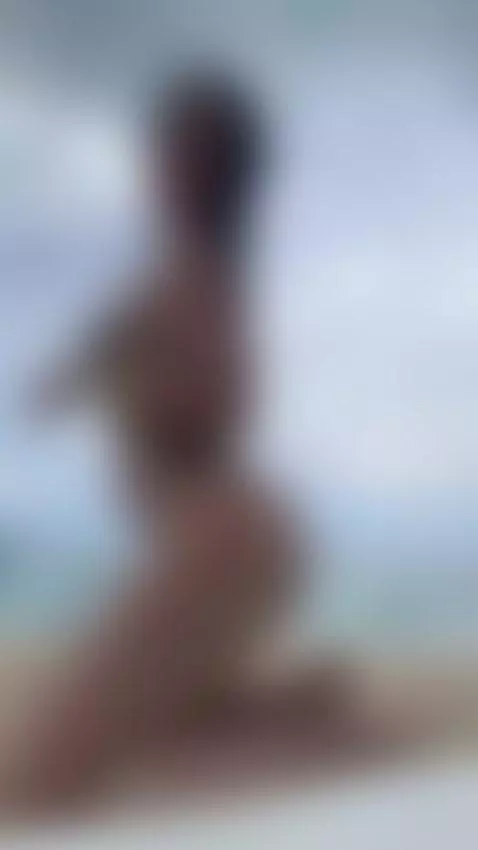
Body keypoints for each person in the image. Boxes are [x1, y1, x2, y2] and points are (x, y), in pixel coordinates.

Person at [1, 72, 399, 818]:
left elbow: (216, 406)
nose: (152, 169)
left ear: (199, 173)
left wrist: (127, 384)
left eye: (170, 153)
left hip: (220, 543)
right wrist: (83, 375)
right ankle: (310, 715)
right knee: (149, 739)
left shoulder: (204, 287)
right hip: (218, 540)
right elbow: (94, 354)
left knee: (43, 773)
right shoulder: (170, 288)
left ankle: (337, 747)